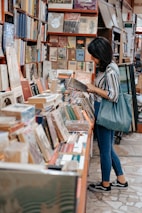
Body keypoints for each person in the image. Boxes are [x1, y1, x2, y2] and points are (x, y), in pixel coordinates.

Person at [86, 37, 128, 192]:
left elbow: (113, 95)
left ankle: (105, 183)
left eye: (94, 55)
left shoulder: (110, 71)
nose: (92, 58)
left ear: (100, 54)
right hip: (103, 110)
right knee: (108, 148)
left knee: (105, 149)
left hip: (105, 112)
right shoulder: (108, 68)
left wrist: (93, 89)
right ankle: (121, 179)